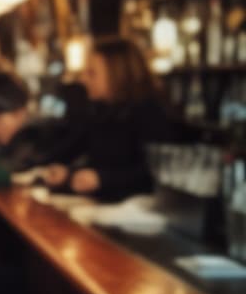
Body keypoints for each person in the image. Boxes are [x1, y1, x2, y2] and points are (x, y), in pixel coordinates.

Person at [42, 35, 177, 201]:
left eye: (91, 73)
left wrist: (101, 179)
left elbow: (154, 174)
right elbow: (94, 163)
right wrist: (69, 174)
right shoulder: (100, 111)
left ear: (117, 74)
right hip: (102, 209)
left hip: (136, 217)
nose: (83, 79)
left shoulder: (150, 111)